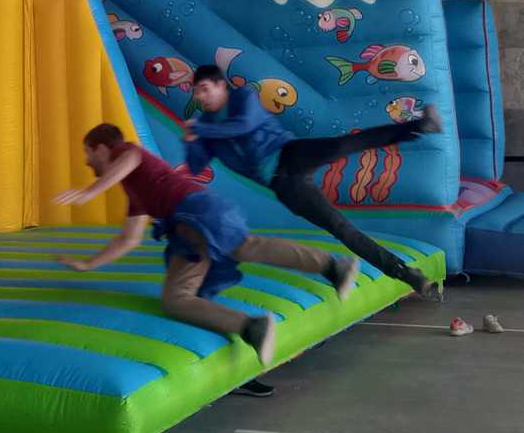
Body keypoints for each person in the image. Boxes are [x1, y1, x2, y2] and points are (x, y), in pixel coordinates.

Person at [55, 124, 359, 366]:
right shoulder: (135, 188)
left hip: (197, 212)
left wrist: (91, 191)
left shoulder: (128, 151)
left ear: (102, 148)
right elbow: (129, 238)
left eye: (87, 153)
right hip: (189, 227)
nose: (86, 161)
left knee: (243, 248)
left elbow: (129, 159)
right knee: (179, 297)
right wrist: (88, 264)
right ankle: (253, 325)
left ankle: (331, 268)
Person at [185, 65, 442, 298]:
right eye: (196, 92)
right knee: (339, 227)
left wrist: (200, 130)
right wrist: (191, 141)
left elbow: (243, 125)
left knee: (343, 145)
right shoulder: (205, 126)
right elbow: (196, 165)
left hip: (289, 154)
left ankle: (419, 126)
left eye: (205, 89)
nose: (201, 97)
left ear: (221, 86)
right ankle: (408, 275)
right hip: (283, 185)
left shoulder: (242, 97)